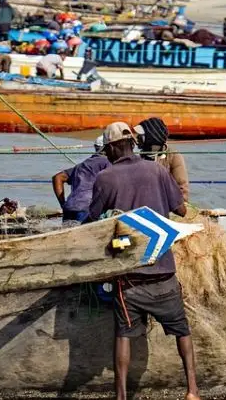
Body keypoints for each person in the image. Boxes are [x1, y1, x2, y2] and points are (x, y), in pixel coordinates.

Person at [87, 122, 198, 400]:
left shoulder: (105, 178)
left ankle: (122, 396)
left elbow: (92, 221)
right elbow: (182, 208)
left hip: (130, 276)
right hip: (163, 270)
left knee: (123, 334)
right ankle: (192, 391)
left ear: (112, 148)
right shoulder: (158, 170)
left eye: (107, 150)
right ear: (132, 144)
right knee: (181, 330)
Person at [51, 143, 111, 224]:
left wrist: (63, 204)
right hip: (87, 207)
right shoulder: (107, 163)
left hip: (69, 207)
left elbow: (57, 177)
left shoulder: (82, 164)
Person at [135, 117, 189, 200]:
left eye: (140, 136)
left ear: (151, 136)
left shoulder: (173, 156)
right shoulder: (138, 157)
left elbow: (182, 188)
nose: (137, 138)